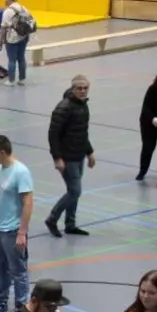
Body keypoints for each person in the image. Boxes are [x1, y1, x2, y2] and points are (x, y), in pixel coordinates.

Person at [0, 135, 34, 312]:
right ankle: (2, 300)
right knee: (0, 268)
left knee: (18, 271)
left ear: (2, 152)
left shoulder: (21, 172)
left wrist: (22, 232)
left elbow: (28, 202)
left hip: (12, 231)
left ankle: (21, 307)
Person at [46, 75, 95, 237]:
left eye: (85, 88)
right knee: (75, 191)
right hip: (67, 157)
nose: (82, 91)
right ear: (72, 89)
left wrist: (89, 152)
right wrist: (57, 158)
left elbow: (82, 132)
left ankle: (70, 224)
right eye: (79, 88)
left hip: (79, 155)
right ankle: (52, 218)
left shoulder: (83, 106)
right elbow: (53, 134)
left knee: (73, 191)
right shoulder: (64, 108)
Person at [0, 0, 34, 86]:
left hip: (12, 38)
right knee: (21, 58)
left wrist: (0, 40)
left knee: (12, 60)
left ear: (9, 0)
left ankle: (11, 80)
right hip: (24, 35)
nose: (4, 1)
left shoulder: (8, 11)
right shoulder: (23, 7)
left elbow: (3, 28)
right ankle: (22, 79)